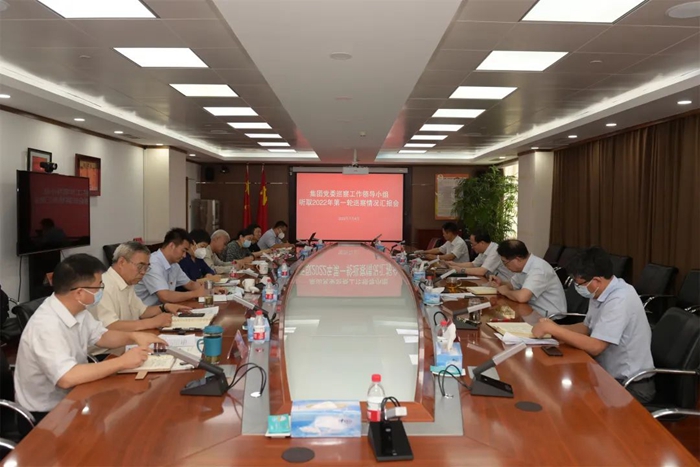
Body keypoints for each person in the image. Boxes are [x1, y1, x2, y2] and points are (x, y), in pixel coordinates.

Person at [13, 254, 166, 421]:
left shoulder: (78, 310)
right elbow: (66, 377)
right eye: (99, 286)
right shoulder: (46, 325)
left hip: (74, 397)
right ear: (79, 292)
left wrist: (135, 337)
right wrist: (122, 362)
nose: (102, 290)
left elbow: (102, 336)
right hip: (46, 414)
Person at [532, 247, 655, 403]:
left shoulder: (620, 299)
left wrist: (554, 329)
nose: (577, 288)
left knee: (570, 401)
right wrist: (555, 329)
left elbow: (596, 346)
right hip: (603, 374)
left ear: (596, 280)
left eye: (579, 284)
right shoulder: (600, 292)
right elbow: (586, 327)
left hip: (630, 384)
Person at [89, 242, 192, 356]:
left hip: (128, 343)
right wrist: (152, 322)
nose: (143, 272)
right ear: (122, 262)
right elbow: (111, 326)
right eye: (140, 266)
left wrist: (165, 307)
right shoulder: (102, 286)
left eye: (146, 267)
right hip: (106, 353)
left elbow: (142, 311)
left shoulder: (127, 282)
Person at [135, 228, 226, 306]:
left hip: (163, 309)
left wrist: (211, 290)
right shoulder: (153, 263)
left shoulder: (174, 265)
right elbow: (165, 296)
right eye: (183, 251)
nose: (184, 255)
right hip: (145, 314)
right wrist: (194, 294)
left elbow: (190, 284)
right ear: (172, 246)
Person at [493, 240, 566, 325]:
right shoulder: (524, 267)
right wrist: (501, 283)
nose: (505, 266)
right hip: (532, 313)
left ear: (517, 259)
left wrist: (506, 292)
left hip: (551, 320)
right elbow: (512, 285)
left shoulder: (538, 269)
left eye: (505, 262)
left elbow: (522, 297)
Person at [446, 230, 513, 281]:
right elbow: (473, 264)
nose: (472, 247)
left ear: (482, 243)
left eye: (473, 244)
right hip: (492, 281)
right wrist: (454, 264)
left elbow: (481, 271)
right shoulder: (484, 250)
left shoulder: (495, 251)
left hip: (506, 283)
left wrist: (460, 270)